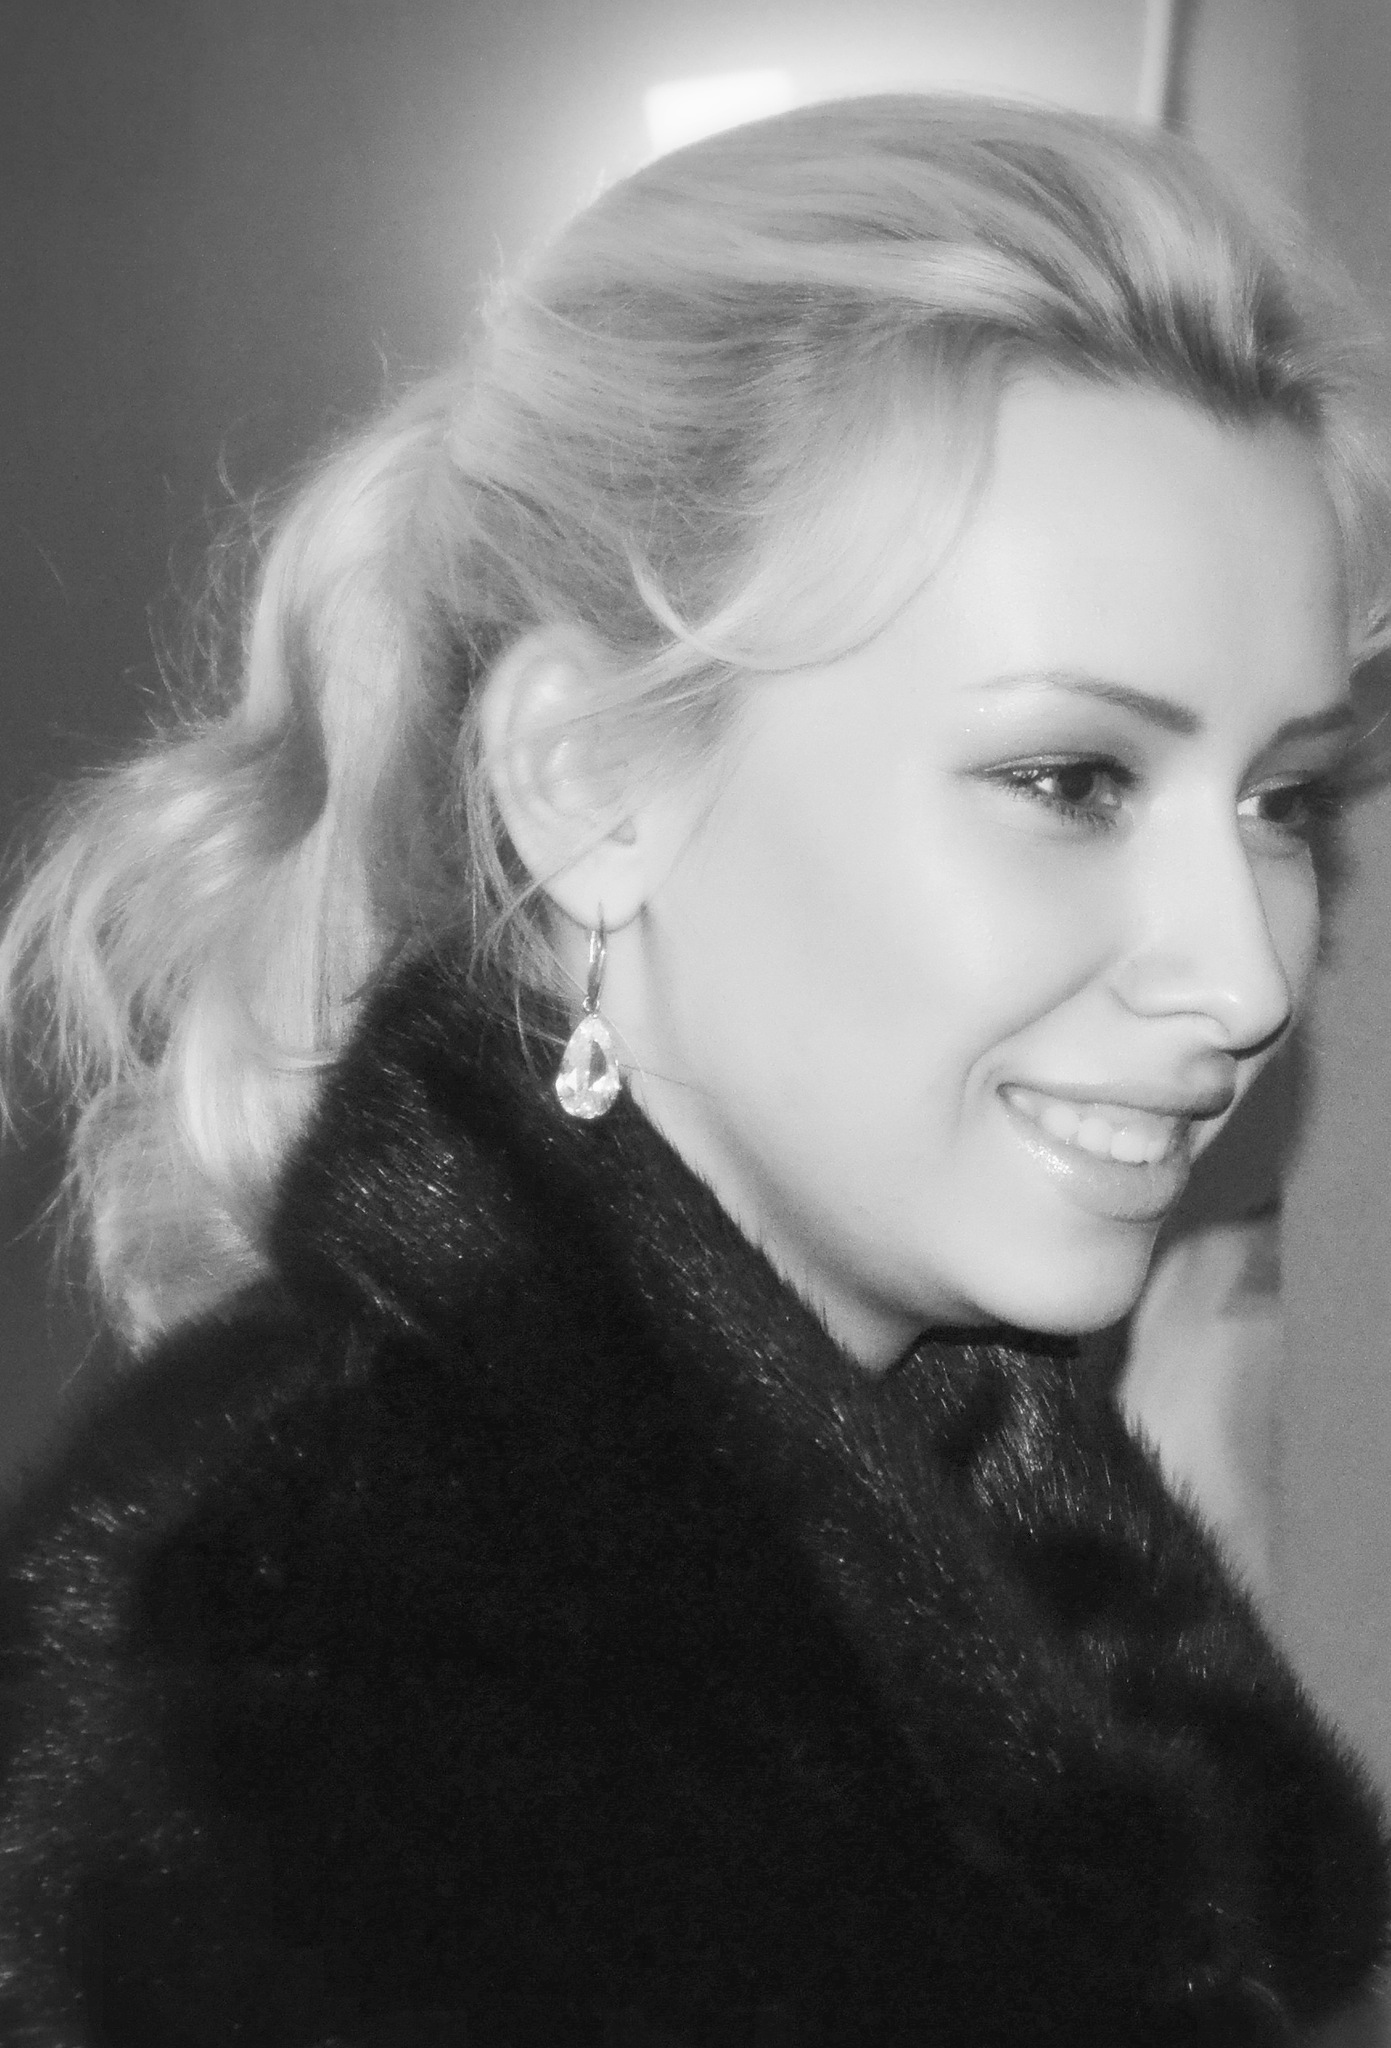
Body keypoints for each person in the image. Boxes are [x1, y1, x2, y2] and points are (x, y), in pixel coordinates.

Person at [0, 90, 1387, 2048]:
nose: (1245, 972)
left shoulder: (971, 1570)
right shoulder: (309, 1662)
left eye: (1281, 799)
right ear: (589, 782)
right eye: (1070, 779)